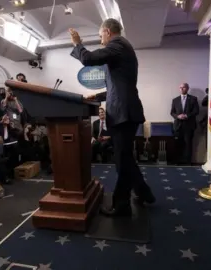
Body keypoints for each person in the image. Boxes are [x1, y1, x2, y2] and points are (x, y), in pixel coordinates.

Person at [69, 18, 155, 217]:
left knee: (122, 161)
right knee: (125, 158)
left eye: (100, 36)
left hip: (124, 113)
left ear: (107, 31)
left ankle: (121, 205)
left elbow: (88, 59)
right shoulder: (121, 49)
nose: (100, 40)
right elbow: (117, 87)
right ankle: (144, 193)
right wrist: (97, 96)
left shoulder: (117, 45)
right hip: (124, 110)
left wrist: (77, 43)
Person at [170, 83, 199, 165]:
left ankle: (188, 162)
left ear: (187, 88)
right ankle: (177, 161)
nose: (182, 89)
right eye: (180, 87)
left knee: (188, 144)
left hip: (189, 125)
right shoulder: (175, 100)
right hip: (178, 126)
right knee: (178, 144)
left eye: (184, 87)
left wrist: (186, 115)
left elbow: (196, 111)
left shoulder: (193, 99)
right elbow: (172, 112)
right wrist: (178, 116)